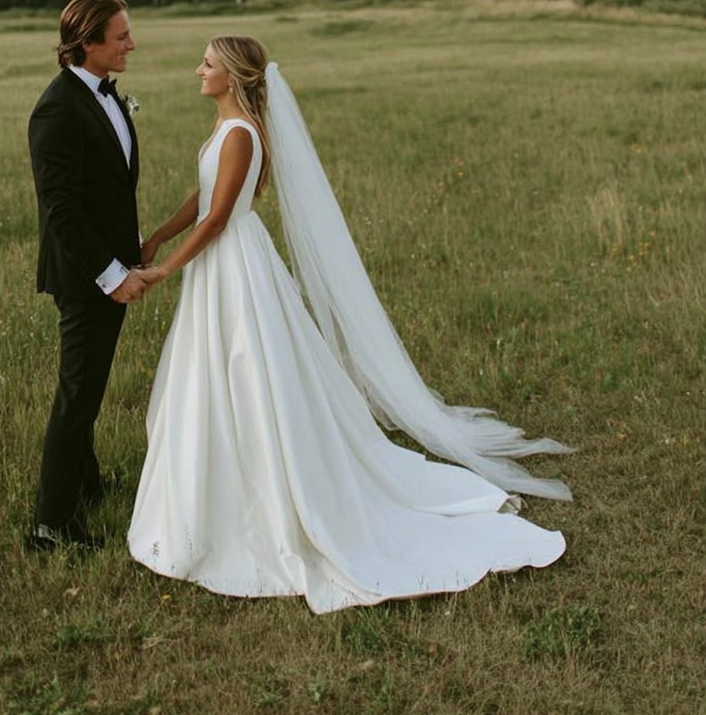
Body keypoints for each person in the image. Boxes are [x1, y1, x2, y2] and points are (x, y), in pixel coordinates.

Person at [130, 35, 571, 613]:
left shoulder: (242, 134)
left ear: (233, 76)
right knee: (211, 368)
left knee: (247, 364)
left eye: (207, 65)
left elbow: (216, 220)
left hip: (234, 263)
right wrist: (160, 233)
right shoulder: (226, 128)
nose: (198, 71)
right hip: (221, 263)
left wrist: (164, 268)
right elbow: (203, 196)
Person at [26, 0, 146, 552]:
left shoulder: (102, 95)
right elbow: (62, 214)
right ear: (89, 42)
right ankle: (51, 524)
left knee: (88, 390)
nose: (131, 44)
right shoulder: (57, 108)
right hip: (85, 276)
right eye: (120, 36)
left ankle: (88, 484)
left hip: (111, 264)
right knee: (77, 397)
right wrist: (111, 274)